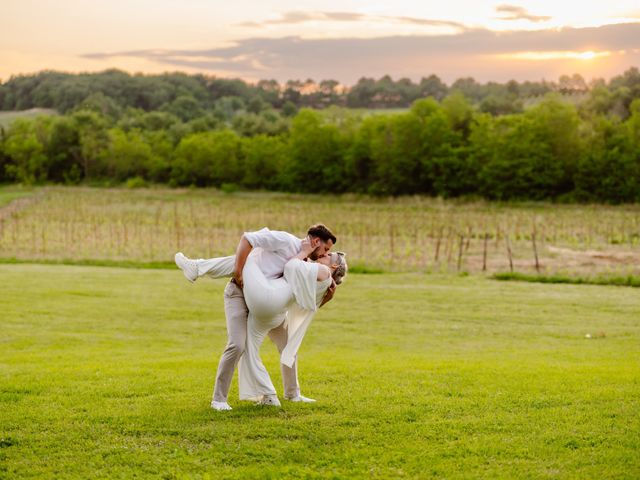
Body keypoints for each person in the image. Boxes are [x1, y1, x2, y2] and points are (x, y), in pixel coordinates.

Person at [175, 225, 338, 411]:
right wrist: (238, 270)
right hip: (239, 293)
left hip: (267, 302)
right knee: (237, 345)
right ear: (316, 242)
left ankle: (293, 394)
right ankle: (219, 400)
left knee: (288, 345)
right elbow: (247, 239)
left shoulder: (306, 261)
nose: (325, 254)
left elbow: (303, 300)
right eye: (326, 249)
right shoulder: (286, 241)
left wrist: (327, 291)